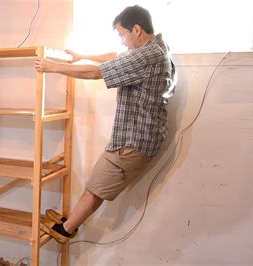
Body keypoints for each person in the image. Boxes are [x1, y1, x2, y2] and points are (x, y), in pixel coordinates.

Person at [35, 5, 176, 244]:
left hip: (133, 142)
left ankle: (65, 230)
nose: (121, 40)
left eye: (122, 34)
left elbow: (95, 74)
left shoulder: (146, 56)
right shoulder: (154, 46)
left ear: (137, 29)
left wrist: (53, 67)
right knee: (96, 183)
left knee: (96, 186)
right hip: (140, 136)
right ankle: (67, 223)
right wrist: (84, 56)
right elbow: (114, 57)